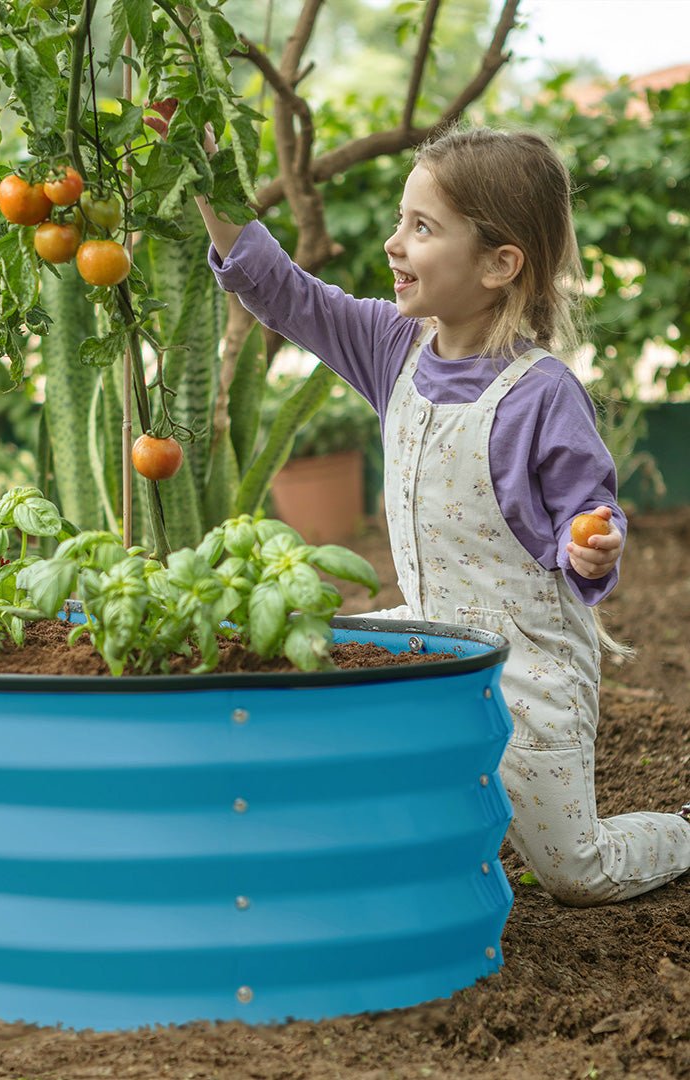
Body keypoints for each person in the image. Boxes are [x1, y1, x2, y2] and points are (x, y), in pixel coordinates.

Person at [197, 125, 690, 906]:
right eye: (401, 220)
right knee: (304, 662)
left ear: (500, 264)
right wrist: (203, 171)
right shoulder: (393, 347)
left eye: (421, 228)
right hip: (431, 636)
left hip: (527, 671)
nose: (394, 244)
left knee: (574, 872)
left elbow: (588, 513)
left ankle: (684, 827)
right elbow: (282, 289)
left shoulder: (541, 392)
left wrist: (592, 545)